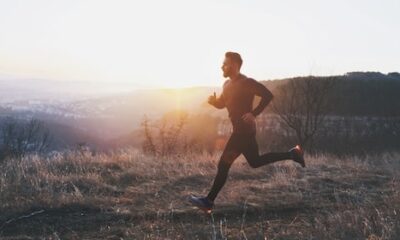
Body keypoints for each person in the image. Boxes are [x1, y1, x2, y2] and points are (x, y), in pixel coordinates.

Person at [189, 52, 305, 213]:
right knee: (255, 161)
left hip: (242, 132)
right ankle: (293, 154)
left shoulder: (246, 82)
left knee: (223, 165)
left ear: (234, 65)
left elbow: (267, 95)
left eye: (225, 63)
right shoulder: (226, 85)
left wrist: (254, 113)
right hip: (242, 131)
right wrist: (214, 102)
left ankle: (208, 201)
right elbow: (223, 104)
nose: (221, 66)